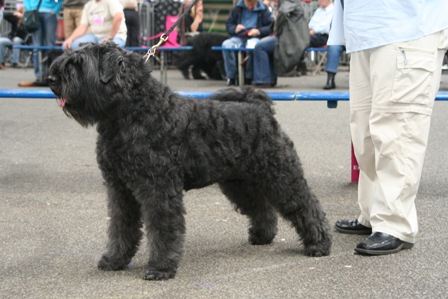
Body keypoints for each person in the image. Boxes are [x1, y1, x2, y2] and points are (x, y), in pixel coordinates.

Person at [329, 0, 448, 255]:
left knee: (397, 127)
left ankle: (395, 224)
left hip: (407, 25)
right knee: (364, 132)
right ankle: (373, 213)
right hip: (362, 30)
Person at [221, 0, 274, 86]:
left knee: (252, 45)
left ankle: (248, 76)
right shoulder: (237, 8)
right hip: (239, 36)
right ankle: (231, 76)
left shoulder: (264, 10)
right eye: (248, 3)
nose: (249, 6)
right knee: (226, 45)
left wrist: (259, 31)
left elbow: (270, 27)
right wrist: (235, 28)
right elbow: (228, 25)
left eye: (252, 3)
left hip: (255, 37)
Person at [18, 0, 63, 87]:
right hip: (34, 13)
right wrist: (30, 9)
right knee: (37, 46)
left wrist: (55, 10)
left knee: (50, 46)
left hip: (49, 13)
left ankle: (52, 76)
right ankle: (40, 77)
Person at [62, 0, 127, 50]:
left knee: (105, 48)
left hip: (116, 36)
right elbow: (82, 26)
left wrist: (110, 37)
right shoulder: (88, 5)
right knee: (73, 45)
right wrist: (70, 39)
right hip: (95, 36)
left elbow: (118, 17)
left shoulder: (111, 1)